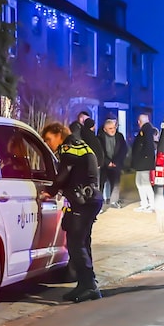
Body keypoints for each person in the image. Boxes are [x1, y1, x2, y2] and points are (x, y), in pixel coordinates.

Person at [39, 121, 104, 303]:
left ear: (58, 133)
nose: (48, 144)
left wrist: (50, 192)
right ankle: (85, 284)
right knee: (83, 242)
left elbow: (64, 173)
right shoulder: (80, 145)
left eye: (48, 139)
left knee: (75, 244)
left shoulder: (68, 147)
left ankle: (89, 286)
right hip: (90, 198)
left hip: (83, 200)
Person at [98, 118, 129, 209]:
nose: (113, 130)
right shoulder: (100, 138)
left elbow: (123, 150)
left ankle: (114, 201)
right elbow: (100, 152)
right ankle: (100, 203)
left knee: (116, 184)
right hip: (104, 165)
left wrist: (116, 162)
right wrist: (108, 162)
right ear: (105, 129)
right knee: (101, 184)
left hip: (116, 165)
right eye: (110, 128)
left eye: (114, 128)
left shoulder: (120, 136)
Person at [130, 112, 158, 212]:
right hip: (142, 161)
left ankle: (151, 204)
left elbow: (148, 145)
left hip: (144, 162)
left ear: (139, 122)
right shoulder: (147, 129)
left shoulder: (146, 130)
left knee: (144, 183)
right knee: (140, 182)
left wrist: (145, 157)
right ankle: (145, 203)